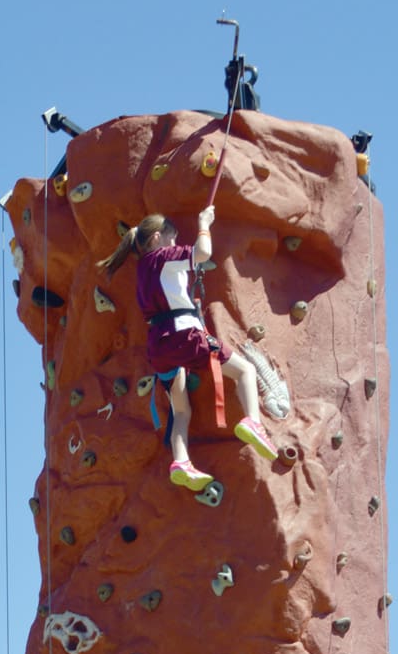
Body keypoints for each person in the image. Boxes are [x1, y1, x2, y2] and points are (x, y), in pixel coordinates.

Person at [98, 208, 277, 492]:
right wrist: (204, 224)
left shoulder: (143, 268)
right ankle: (253, 421)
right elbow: (202, 253)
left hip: (159, 345)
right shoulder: (164, 257)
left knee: (181, 410)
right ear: (158, 238)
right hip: (183, 333)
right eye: (172, 238)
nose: (174, 244)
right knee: (246, 370)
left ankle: (181, 461)